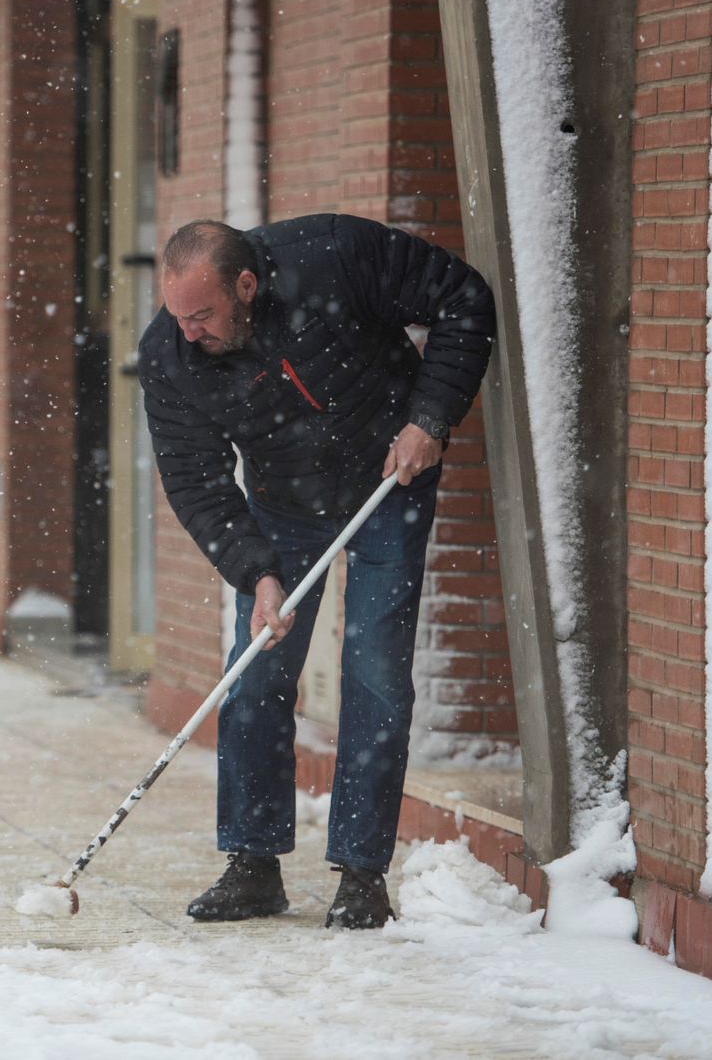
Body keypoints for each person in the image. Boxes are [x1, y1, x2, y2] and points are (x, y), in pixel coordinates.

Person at [139, 214, 495, 928]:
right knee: (258, 665)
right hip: (282, 501)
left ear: (246, 285)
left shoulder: (332, 257)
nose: (188, 332)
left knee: (375, 668)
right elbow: (197, 482)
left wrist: (430, 417)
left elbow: (464, 298)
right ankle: (252, 863)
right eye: (177, 315)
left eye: (202, 314)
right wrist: (256, 573)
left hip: (387, 481)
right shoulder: (172, 357)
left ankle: (362, 875)